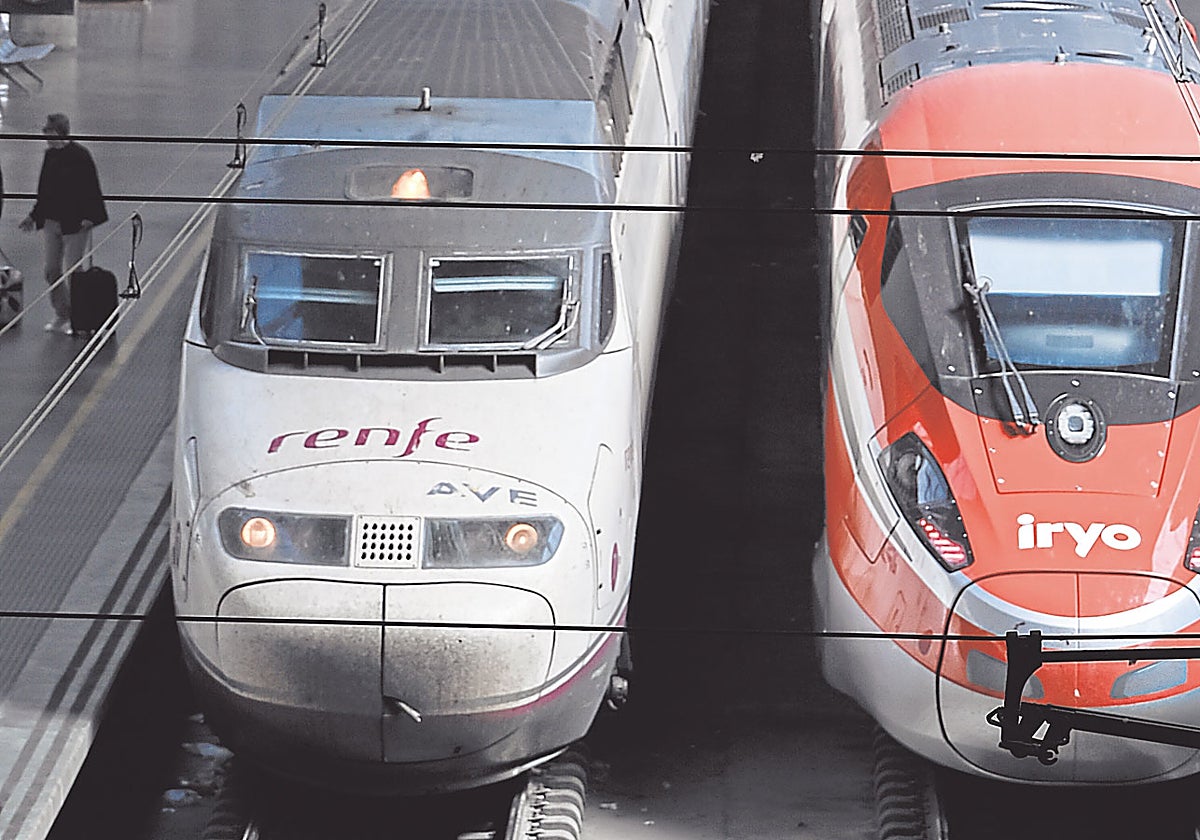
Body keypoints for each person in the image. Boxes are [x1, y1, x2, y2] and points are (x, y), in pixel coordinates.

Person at [19, 113, 108, 335]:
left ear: (61, 132)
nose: (47, 137)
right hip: (51, 221)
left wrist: (90, 217)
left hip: (76, 224)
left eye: (50, 133)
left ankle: (78, 318)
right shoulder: (50, 157)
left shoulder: (80, 156)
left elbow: (91, 188)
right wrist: (33, 215)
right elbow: (44, 190)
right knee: (51, 270)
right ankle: (62, 312)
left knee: (73, 271)